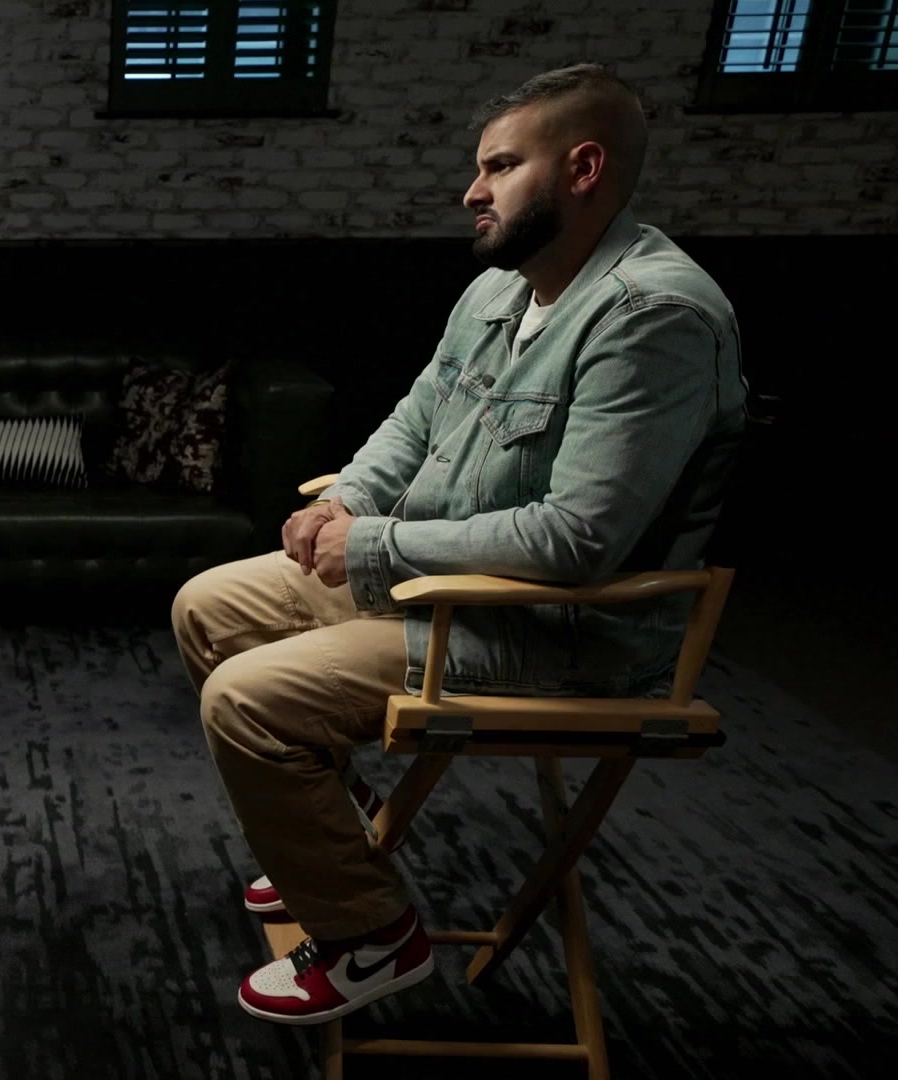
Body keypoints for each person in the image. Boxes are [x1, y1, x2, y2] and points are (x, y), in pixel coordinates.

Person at [171, 64, 746, 1025]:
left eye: (501, 167)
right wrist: (346, 499)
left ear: (584, 169)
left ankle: (369, 935)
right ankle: (336, 830)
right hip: (448, 587)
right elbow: (415, 420)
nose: (473, 191)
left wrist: (374, 544)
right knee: (209, 606)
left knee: (246, 701)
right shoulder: (498, 292)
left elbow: (578, 541)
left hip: (559, 631)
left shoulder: (655, 318)